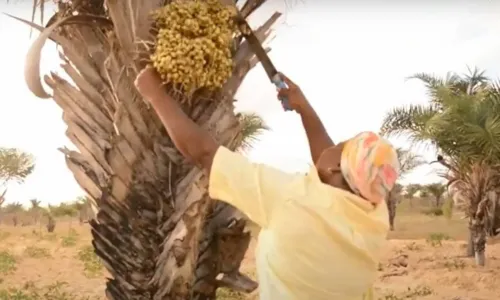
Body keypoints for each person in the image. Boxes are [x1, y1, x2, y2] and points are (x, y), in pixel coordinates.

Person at [135, 67, 400, 300]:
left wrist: (153, 93)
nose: (333, 145)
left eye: (341, 146)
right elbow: (337, 169)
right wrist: (304, 108)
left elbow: (204, 153)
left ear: (334, 169)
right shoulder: (375, 215)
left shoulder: (291, 200)